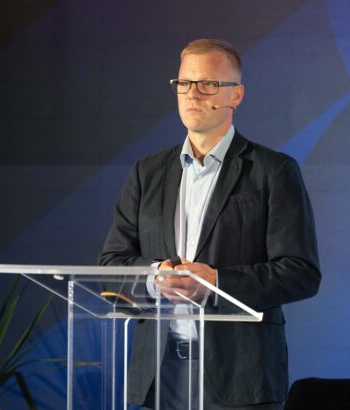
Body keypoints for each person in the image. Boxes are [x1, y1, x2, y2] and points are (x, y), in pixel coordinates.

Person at [98, 39, 321, 409]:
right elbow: (110, 266)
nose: (193, 93)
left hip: (240, 376)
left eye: (208, 84)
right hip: (159, 374)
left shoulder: (273, 171)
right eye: (184, 83)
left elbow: (300, 272)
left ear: (237, 95)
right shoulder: (147, 172)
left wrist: (216, 282)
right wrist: (155, 277)